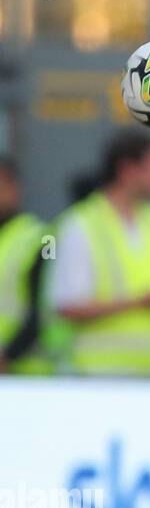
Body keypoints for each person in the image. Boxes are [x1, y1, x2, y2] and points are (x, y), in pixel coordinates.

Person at [50, 130, 150, 377]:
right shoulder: (80, 223)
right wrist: (139, 303)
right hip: (98, 378)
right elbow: (67, 305)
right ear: (127, 170)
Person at [0, 157, 54, 375]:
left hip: (27, 375)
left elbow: (43, 312)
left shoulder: (43, 238)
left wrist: (7, 356)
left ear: (15, 188)